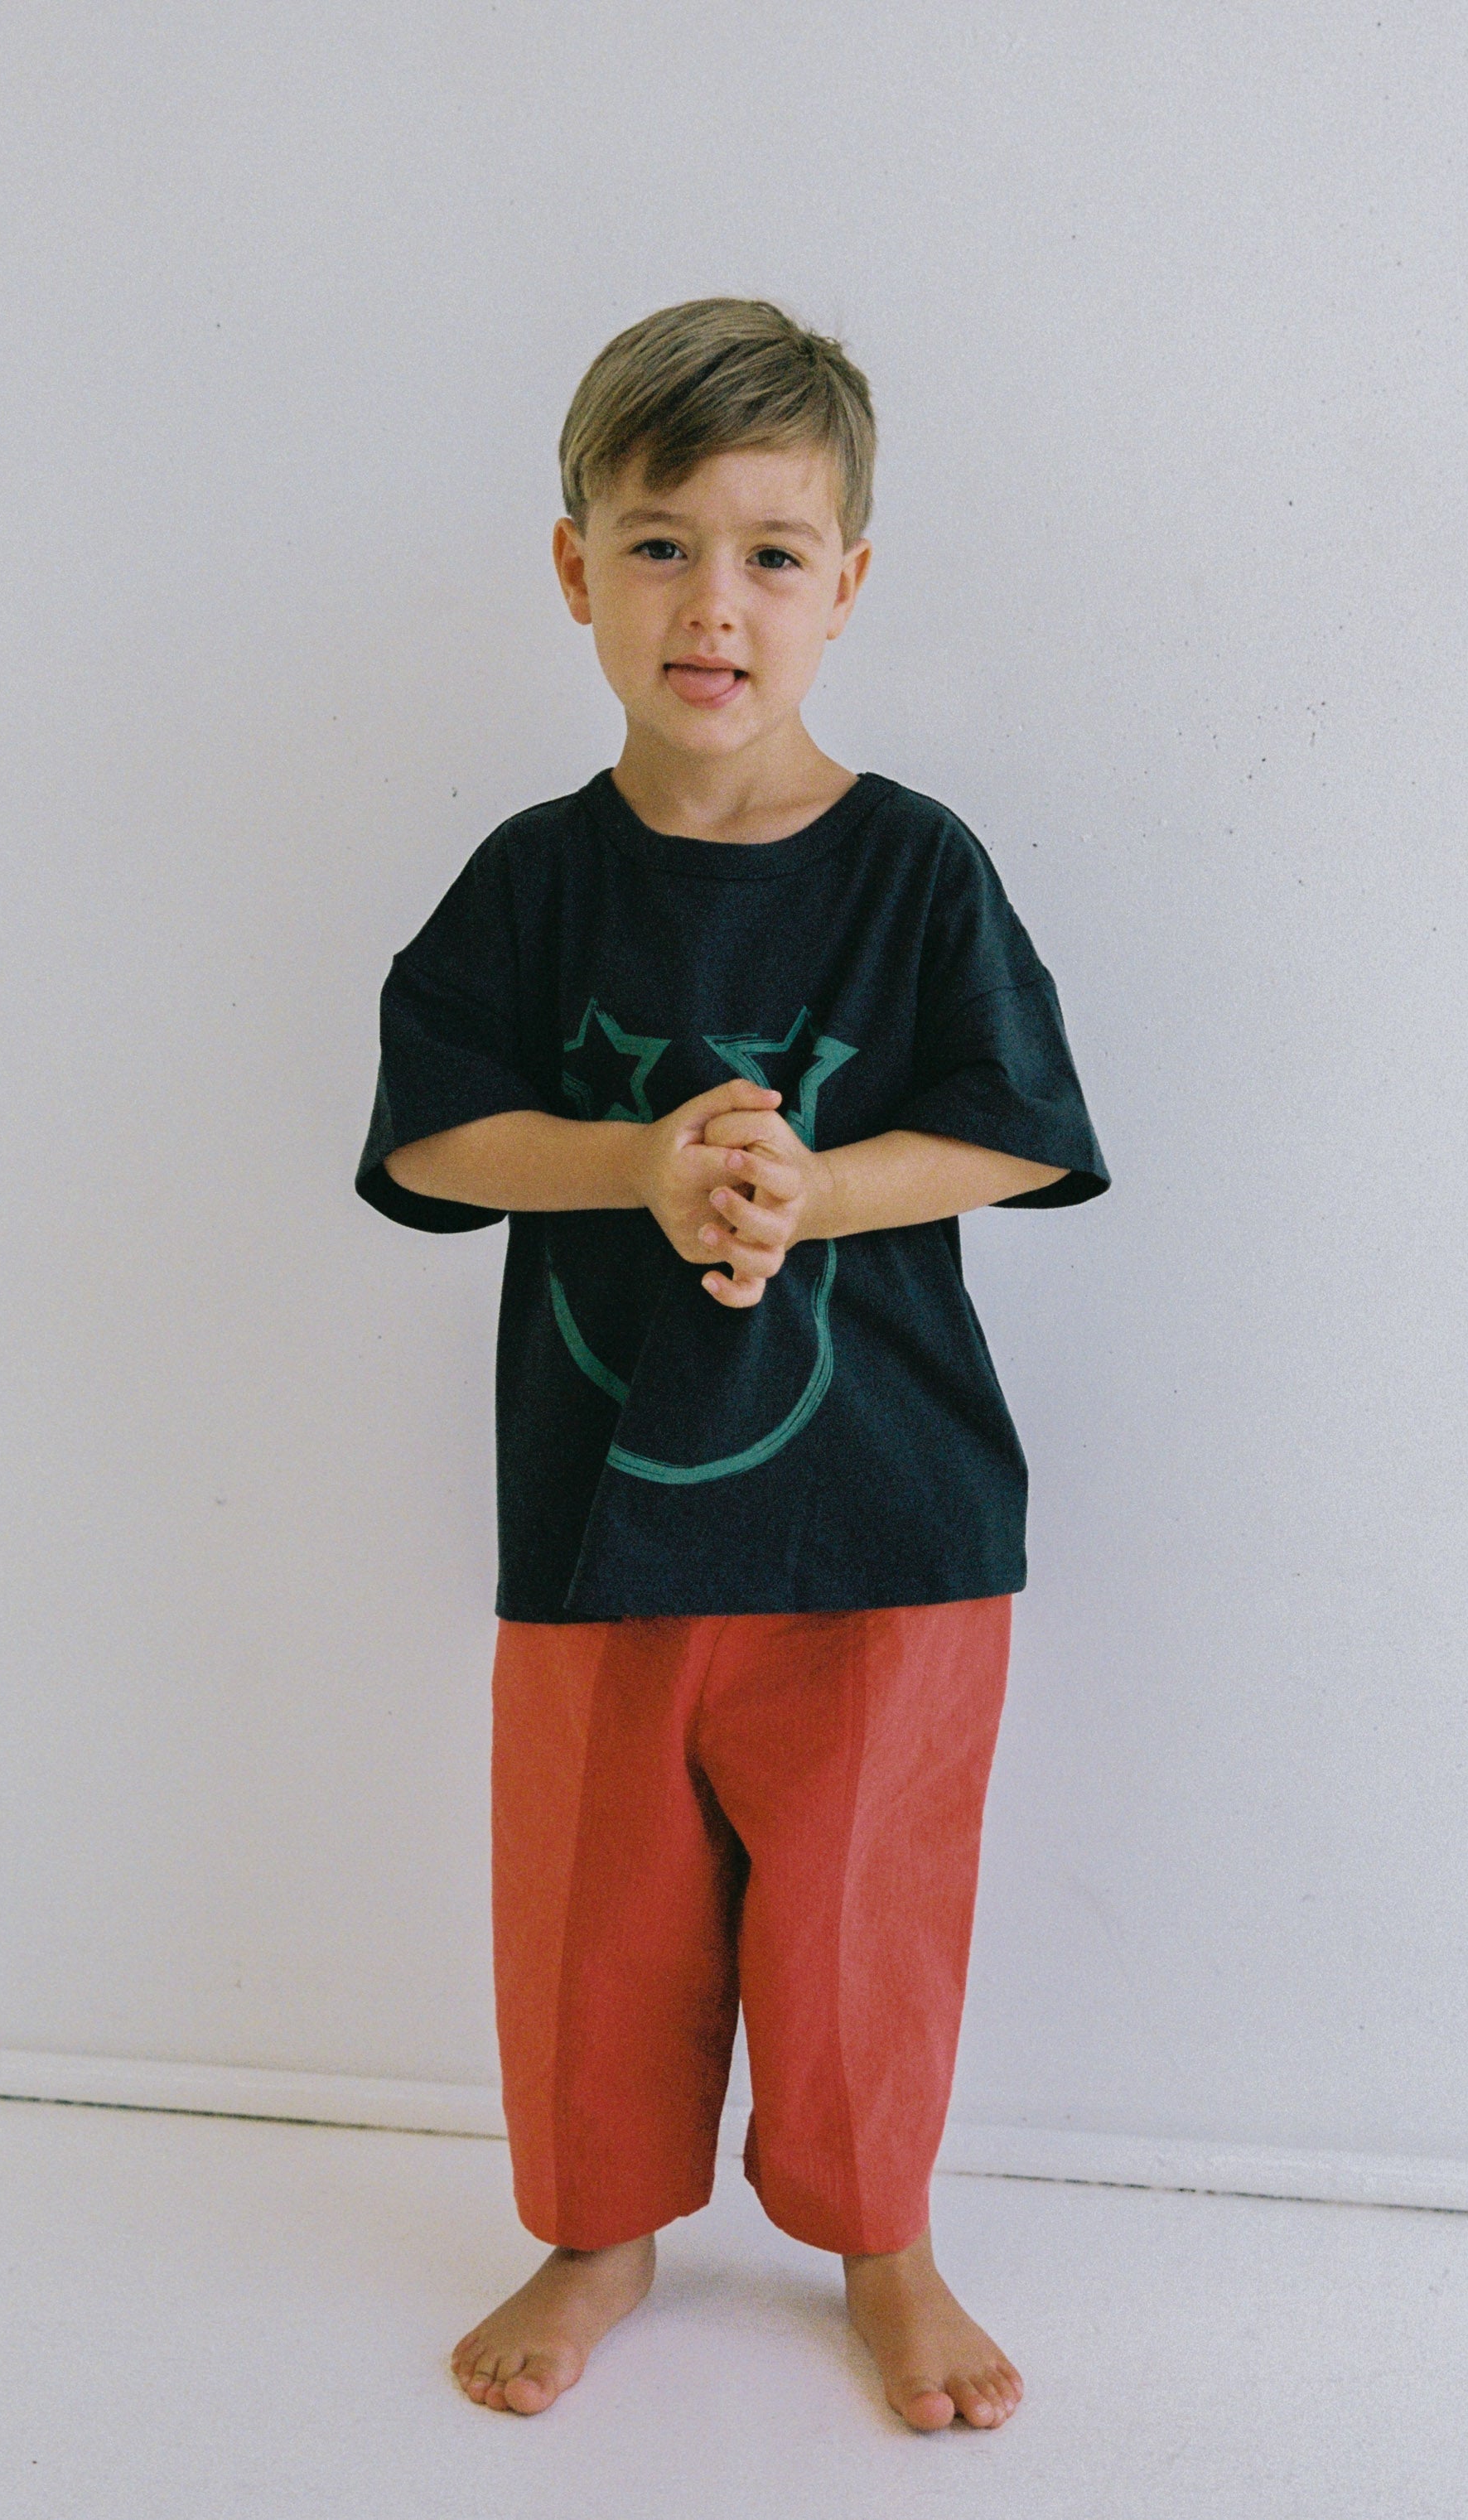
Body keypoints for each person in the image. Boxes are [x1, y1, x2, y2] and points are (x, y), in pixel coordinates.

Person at [355, 297, 1109, 2432]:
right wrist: (637, 1162)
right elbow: (429, 1139)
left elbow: (1027, 1128)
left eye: (773, 552)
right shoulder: (533, 879)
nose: (716, 600)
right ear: (574, 564)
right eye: (662, 539)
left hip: (891, 1507)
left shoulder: (915, 866)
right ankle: (601, 2229)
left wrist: (813, 1195)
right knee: (598, 1905)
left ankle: (888, 2242)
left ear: (847, 585)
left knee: (867, 1905)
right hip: (604, 1506)